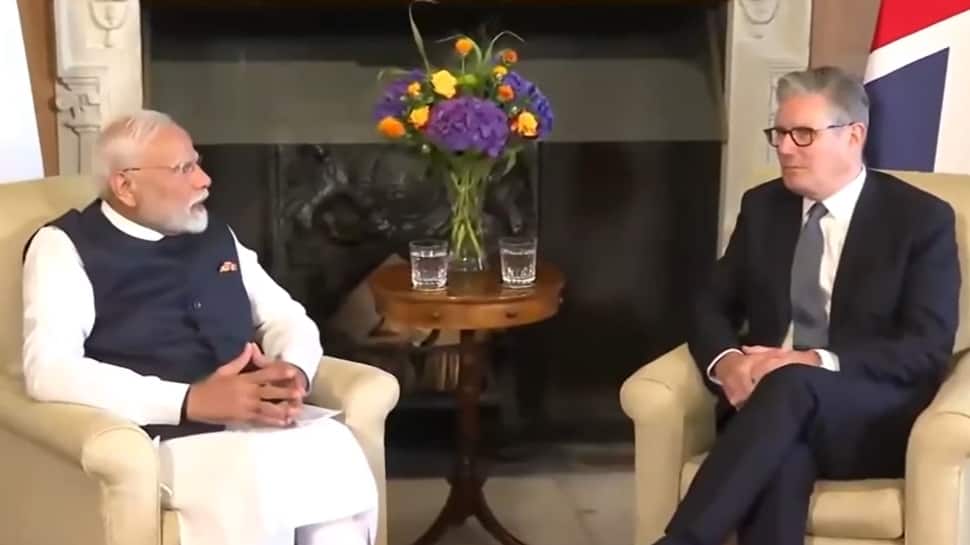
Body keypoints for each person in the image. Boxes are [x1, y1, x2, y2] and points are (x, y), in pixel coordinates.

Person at [21, 110, 378, 545]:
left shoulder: (213, 231)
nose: (205, 180)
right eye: (183, 169)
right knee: (256, 477)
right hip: (160, 442)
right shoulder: (63, 245)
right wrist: (189, 401)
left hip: (255, 424)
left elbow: (285, 316)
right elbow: (49, 369)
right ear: (125, 186)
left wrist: (293, 371)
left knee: (334, 452)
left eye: (198, 163)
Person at [652, 66, 960, 545]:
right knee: (783, 452)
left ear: (853, 136)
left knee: (791, 384)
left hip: (869, 415)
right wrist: (727, 362)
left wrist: (811, 360)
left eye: (803, 134)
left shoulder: (920, 219)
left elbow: (927, 347)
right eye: (779, 133)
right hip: (765, 411)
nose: (785, 148)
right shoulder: (763, 207)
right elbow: (709, 303)